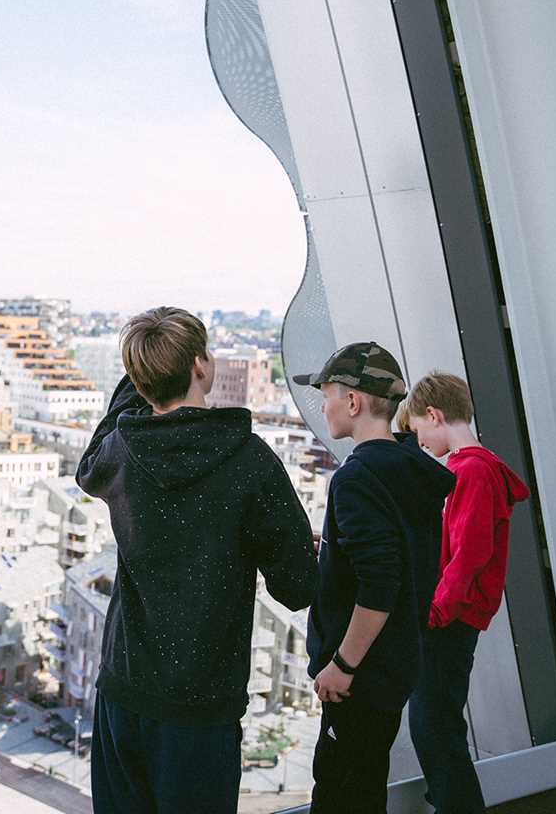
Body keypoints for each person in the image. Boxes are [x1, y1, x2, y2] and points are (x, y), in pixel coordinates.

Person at [77, 307, 317, 814]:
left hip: (123, 689)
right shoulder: (250, 460)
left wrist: (142, 374)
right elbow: (297, 587)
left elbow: (89, 461)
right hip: (201, 705)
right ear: (201, 366)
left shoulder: (119, 451)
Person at [291, 342, 453, 813]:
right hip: (396, 661)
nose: (323, 406)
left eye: (327, 395)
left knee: (340, 793)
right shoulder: (408, 468)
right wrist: (336, 551)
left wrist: (341, 666)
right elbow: (402, 554)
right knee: (364, 783)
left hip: (360, 674)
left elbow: (381, 585)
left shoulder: (357, 477)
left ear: (354, 402)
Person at [400, 372, 531, 814]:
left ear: (434, 415)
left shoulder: (470, 470)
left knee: (432, 723)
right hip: (457, 615)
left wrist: (434, 612)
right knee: (438, 720)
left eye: (419, 430)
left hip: (450, 617)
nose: (420, 442)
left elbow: (469, 554)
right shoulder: (473, 467)